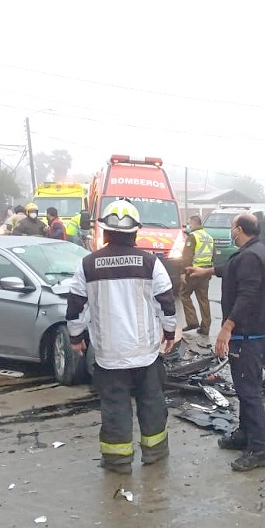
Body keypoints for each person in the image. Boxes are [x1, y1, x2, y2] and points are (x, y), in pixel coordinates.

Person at [66, 200, 177, 474]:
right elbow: (166, 301)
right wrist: (169, 332)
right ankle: (155, 454)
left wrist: (75, 336)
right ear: (135, 233)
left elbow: (76, 305)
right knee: (151, 403)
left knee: (115, 408)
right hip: (146, 353)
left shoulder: (88, 264)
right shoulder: (151, 262)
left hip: (109, 355)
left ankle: (117, 462)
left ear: (104, 232)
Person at [185, 213, 265, 472]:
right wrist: (207, 270)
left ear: (238, 229)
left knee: (249, 391)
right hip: (251, 332)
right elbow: (232, 270)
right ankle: (245, 434)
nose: (231, 232)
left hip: (248, 335)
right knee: (245, 387)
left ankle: (259, 450)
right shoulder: (254, 251)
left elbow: (247, 295)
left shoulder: (250, 256)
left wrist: (226, 328)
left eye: (232, 227)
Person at [179, 215, 214, 335]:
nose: (188, 226)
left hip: (193, 271)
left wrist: (184, 272)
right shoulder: (209, 237)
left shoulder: (192, 236)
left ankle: (192, 321)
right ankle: (205, 327)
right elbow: (213, 255)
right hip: (205, 272)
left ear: (194, 223)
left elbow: (187, 256)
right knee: (203, 299)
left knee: (184, 294)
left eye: (189, 224)